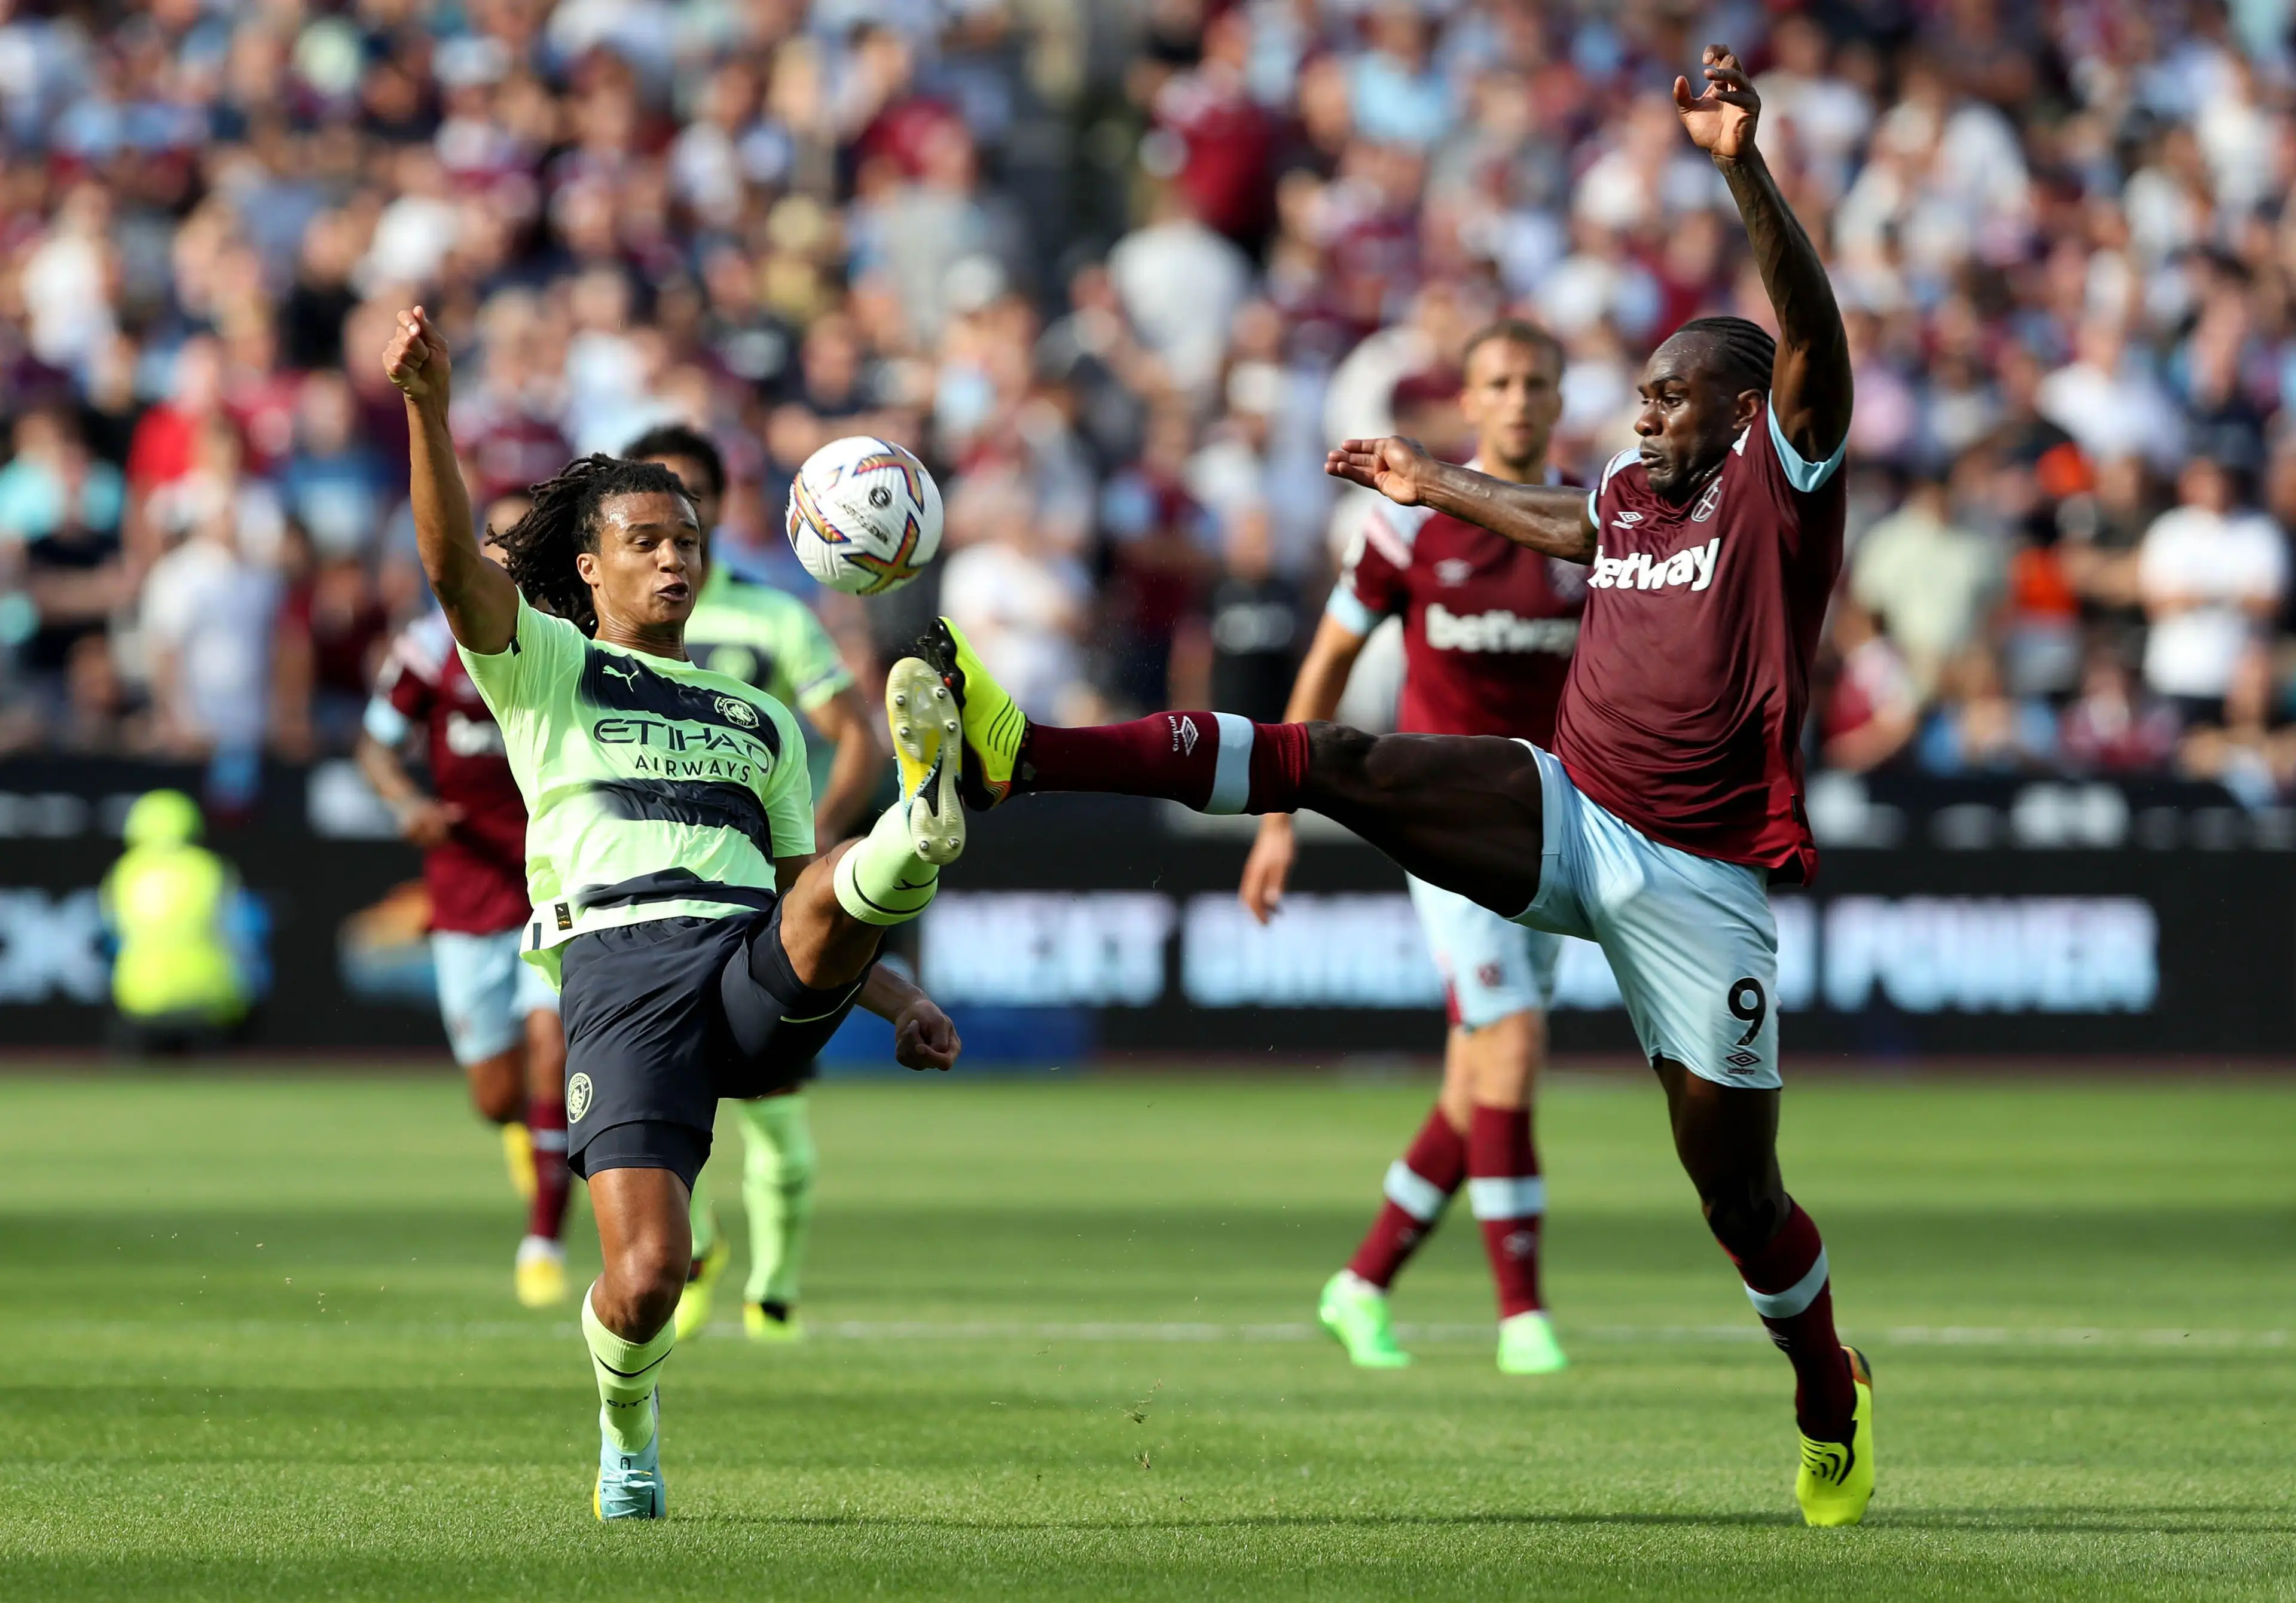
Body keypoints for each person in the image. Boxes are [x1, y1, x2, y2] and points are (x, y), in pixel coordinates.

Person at [908, 49, 1874, 1528]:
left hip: (1701, 881)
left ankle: (1823, 1393)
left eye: (1668, 401)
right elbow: (1571, 518)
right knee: (1340, 761)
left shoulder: (1774, 491)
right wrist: (1432, 484)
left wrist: (1741, 167)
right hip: (1570, 805)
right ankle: (1025, 754)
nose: (1638, 420)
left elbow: (1808, 334)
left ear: (1746, 414)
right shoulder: (1629, 496)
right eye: (1635, 397)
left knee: (1735, 1201)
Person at [383, 304, 964, 1522]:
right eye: (645, 539)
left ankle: (922, 813)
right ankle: (627, 1427)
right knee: (646, 1277)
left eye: (688, 539)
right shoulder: (544, 663)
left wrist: (903, 999)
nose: (673, 559)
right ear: (587, 568)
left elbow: (815, 902)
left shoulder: (757, 719)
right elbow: (450, 567)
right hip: (621, 971)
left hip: (752, 963)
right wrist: (428, 408)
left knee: (831, 871)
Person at [1238, 319, 1582, 1378]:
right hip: (1443, 822)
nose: (1519, 399)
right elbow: (1331, 659)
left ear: (1561, 400)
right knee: (1512, 1044)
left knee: (1472, 1079)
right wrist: (1280, 814)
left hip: (1560, 822)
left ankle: (1363, 1281)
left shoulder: (1591, 523)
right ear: (1468, 404)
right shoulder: (1408, 530)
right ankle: (1522, 1314)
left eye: (1537, 382)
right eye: (1499, 383)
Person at [624, 421, 881, 1346]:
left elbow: (856, 733)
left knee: (773, 1102)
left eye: (690, 499)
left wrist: (806, 843)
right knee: (638, 1117)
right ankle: (697, 1249)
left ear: (719, 508)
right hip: (636, 905)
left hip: (754, 890)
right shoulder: (593, 634)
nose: (672, 528)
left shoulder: (771, 617)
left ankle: (772, 1292)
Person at [357, 491, 575, 1311]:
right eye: (498, 539)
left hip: (553, 882)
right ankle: (548, 1148)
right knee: (497, 1099)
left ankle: (543, 1239)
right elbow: (375, 746)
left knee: (552, 1048)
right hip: (462, 890)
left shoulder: (570, 642)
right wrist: (405, 805)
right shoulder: (427, 648)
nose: (508, 555)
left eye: (526, 542)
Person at [100, 789, 248, 1054]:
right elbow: (239, 935)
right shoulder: (211, 868)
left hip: (140, 999)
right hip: (207, 999)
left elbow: (113, 933)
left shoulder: (124, 872)